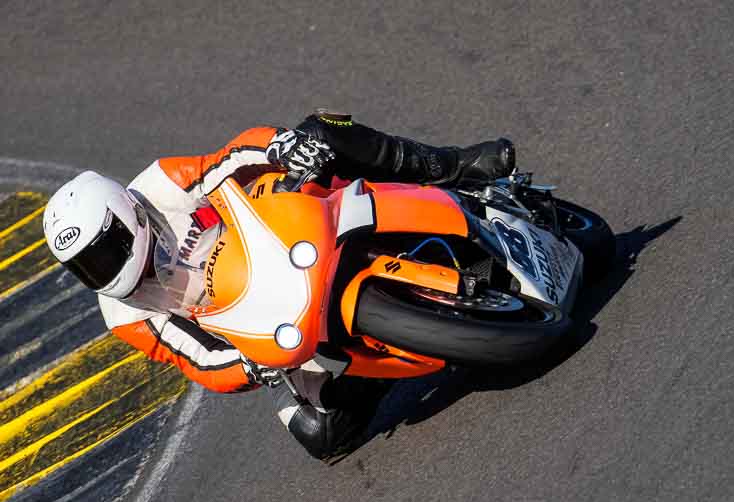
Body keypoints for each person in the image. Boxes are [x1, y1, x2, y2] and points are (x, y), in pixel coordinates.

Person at [42, 110, 515, 460]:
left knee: (322, 132)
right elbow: (198, 359)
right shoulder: (123, 315)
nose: (103, 270)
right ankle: (383, 362)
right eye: (87, 267)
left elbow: (227, 159)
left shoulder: (158, 185)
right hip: (261, 320)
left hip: (276, 227)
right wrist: (250, 366)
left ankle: (452, 166)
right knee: (322, 435)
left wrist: (280, 148)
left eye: (104, 252)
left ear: (125, 216)